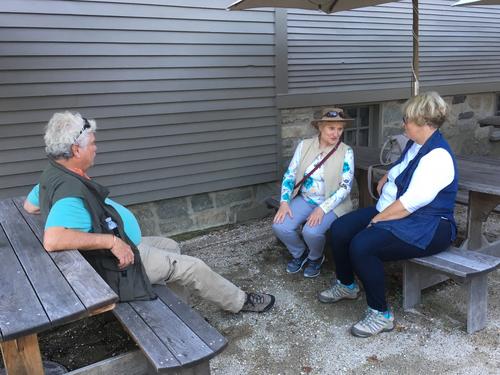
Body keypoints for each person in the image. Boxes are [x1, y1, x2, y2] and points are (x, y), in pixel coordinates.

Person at [24, 111, 275, 314]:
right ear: (76, 150)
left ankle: (178, 314)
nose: (96, 148)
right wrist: (111, 241)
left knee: (171, 246)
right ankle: (240, 302)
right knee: (193, 267)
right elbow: (54, 239)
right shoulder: (70, 192)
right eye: (93, 143)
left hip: (117, 245)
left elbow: (30, 206)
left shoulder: (54, 173)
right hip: (115, 265)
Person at [319, 92, 458, 338]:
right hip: (394, 211)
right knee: (340, 229)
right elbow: (403, 168)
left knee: (363, 245)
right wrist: (388, 175)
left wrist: (376, 221)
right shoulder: (417, 145)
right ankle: (347, 285)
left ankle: (380, 314)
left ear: (424, 123)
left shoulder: (438, 157)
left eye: (407, 119)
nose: (403, 123)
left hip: (428, 224)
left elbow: (410, 204)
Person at [272, 108, 354, 278]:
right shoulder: (304, 146)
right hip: (306, 199)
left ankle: (316, 257)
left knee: (311, 232)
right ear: (320, 127)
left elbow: (345, 187)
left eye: (340, 129)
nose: (336, 134)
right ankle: (300, 254)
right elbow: (290, 174)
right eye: (332, 128)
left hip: (332, 204)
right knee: (280, 226)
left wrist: (322, 209)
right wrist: (284, 202)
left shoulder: (346, 151)